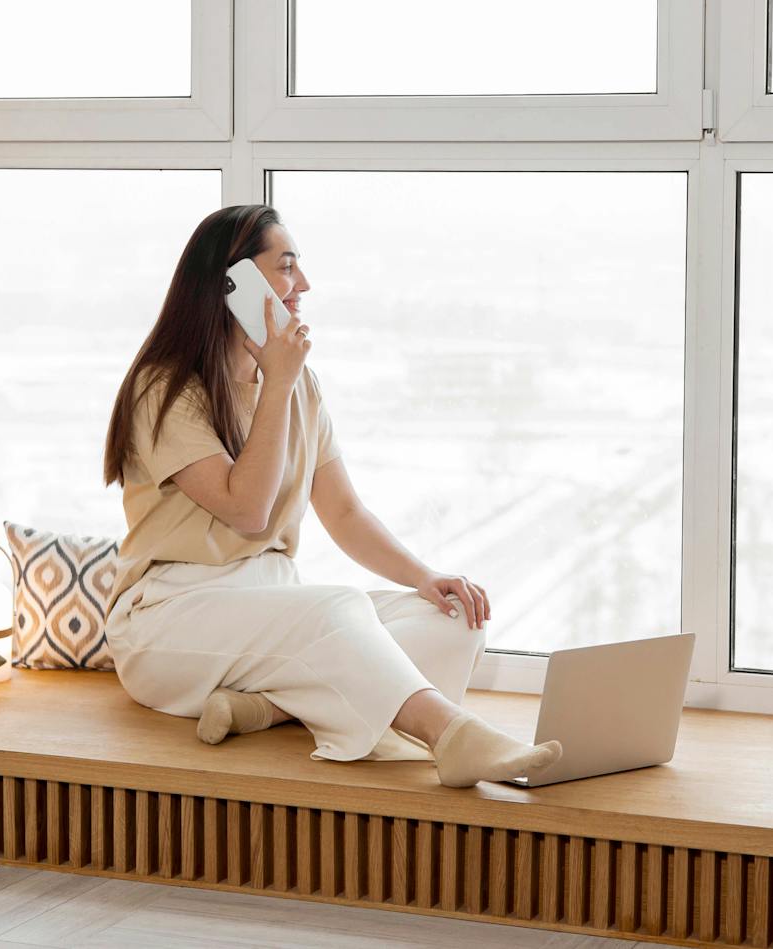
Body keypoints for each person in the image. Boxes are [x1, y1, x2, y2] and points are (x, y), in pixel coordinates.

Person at [100, 205, 561, 788]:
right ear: (232, 284)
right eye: (286, 268)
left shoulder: (297, 384)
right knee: (337, 609)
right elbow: (247, 511)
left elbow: (344, 512)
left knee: (453, 617)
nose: (304, 286)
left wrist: (425, 578)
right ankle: (452, 735)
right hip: (168, 622)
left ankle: (268, 707)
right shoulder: (164, 389)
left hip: (266, 603)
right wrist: (279, 383)